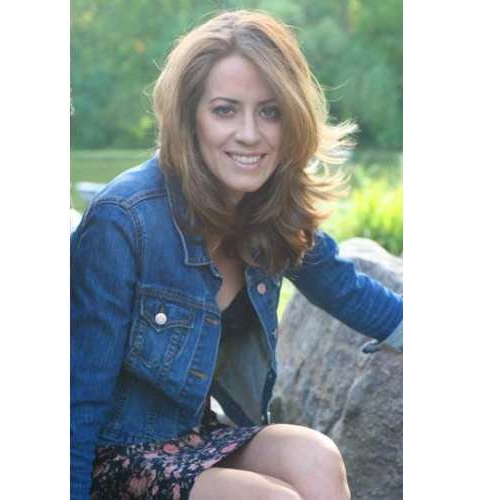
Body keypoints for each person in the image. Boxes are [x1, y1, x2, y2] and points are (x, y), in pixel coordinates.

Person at [71, 9, 403, 500]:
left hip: (192, 437)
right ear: (189, 117)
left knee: (316, 457)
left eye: (269, 111)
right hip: (114, 454)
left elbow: (345, 288)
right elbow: (78, 400)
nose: (250, 133)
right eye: (225, 110)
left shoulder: (267, 206)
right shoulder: (126, 220)